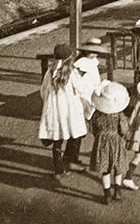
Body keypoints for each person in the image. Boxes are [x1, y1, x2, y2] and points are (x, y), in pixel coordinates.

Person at [38, 43, 87, 179]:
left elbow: (43, 91)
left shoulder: (49, 72)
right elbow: (81, 89)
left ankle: (58, 170)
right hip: (70, 110)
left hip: (54, 110)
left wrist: (49, 104)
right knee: (75, 134)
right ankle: (70, 160)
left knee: (58, 139)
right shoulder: (72, 73)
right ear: (69, 58)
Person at [69, 38, 110, 170]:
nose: (94, 54)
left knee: (81, 130)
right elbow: (77, 82)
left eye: (96, 52)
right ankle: (70, 160)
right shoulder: (82, 64)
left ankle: (72, 158)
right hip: (81, 99)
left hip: (89, 97)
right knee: (78, 130)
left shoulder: (91, 62)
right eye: (91, 51)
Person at [88, 81, 131, 204]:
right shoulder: (118, 114)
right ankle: (117, 190)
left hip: (101, 141)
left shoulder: (97, 114)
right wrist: (124, 136)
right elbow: (123, 129)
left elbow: (92, 128)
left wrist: (99, 136)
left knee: (105, 168)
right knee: (118, 166)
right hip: (116, 140)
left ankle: (107, 194)